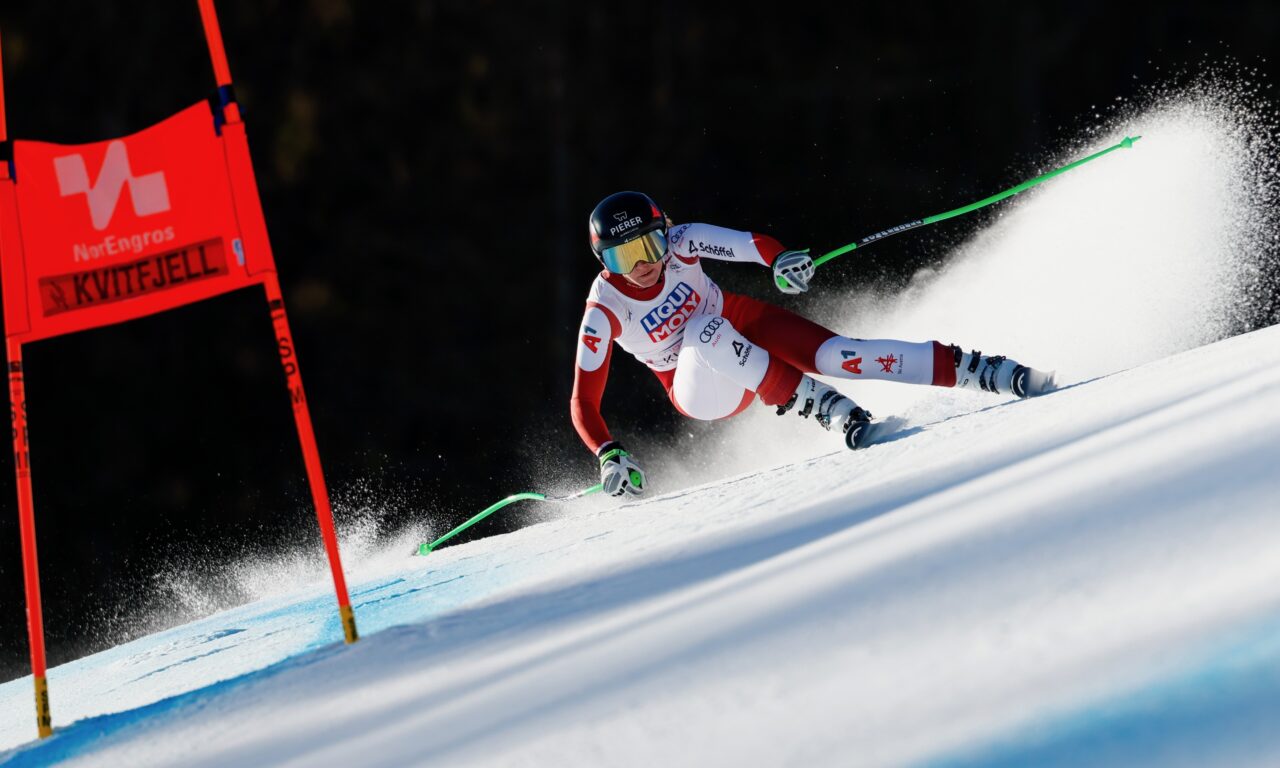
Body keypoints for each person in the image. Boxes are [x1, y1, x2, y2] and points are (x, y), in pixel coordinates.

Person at [572, 191, 1053, 497]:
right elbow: (583, 401)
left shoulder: (684, 240)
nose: (643, 264)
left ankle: (982, 369)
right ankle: (829, 408)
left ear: (665, 233)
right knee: (704, 331)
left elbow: (751, 244)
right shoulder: (604, 309)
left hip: (741, 323)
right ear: (603, 262)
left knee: (841, 354)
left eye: (650, 246)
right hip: (698, 387)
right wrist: (608, 452)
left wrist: (781, 262)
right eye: (624, 255)